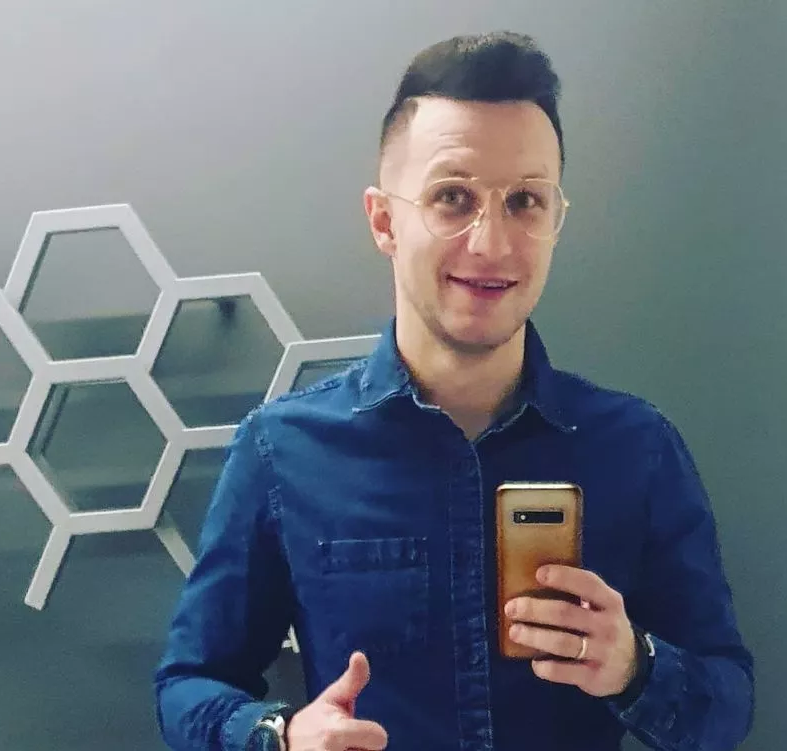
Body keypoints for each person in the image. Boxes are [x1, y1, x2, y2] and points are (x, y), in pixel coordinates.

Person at [154, 30, 754, 751]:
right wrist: (277, 736)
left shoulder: (637, 449)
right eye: (452, 197)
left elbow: (727, 703)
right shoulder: (282, 452)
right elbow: (189, 684)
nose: (492, 243)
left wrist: (634, 668)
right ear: (385, 221)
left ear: (556, 219)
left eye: (525, 200)